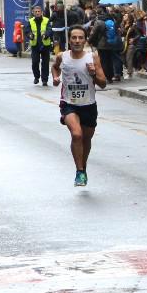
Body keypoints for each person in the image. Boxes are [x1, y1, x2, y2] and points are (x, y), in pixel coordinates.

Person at [52, 26, 106, 186]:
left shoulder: (92, 57)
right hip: (69, 104)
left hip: (88, 104)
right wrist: (55, 78)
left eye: (80, 38)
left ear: (85, 40)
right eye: (74, 38)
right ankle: (79, 171)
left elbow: (103, 83)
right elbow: (55, 67)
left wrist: (93, 74)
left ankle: (83, 166)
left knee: (86, 138)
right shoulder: (62, 56)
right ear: (69, 40)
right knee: (77, 135)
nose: (77, 41)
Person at [29, 6, 53, 86]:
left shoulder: (46, 20)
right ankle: (36, 77)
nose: (37, 13)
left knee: (45, 63)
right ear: (33, 13)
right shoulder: (30, 21)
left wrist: (46, 35)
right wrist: (30, 35)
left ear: (41, 12)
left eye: (39, 11)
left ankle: (44, 80)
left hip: (45, 45)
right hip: (35, 45)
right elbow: (27, 30)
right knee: (35, 62)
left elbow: (49, 30)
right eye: (35, 11)